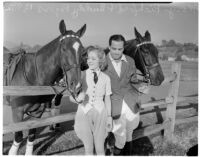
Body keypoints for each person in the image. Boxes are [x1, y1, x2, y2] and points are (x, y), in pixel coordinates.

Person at [104, 34, 149, 155]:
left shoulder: (130, 61)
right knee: (120, 135)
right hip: (113, 104)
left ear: (123, 48)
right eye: (114, 49)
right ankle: (116, 152)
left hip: (130, 101)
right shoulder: (102, 62)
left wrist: (141, 87)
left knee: (129, 134)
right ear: (109, 47)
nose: (117, 52)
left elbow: (133, 80)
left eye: (120, 49)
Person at [71, 46, 113, 155]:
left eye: (93, 59)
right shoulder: (81, 74)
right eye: (88, 58)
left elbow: (107, 99)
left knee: (100, 147)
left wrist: (109, 117)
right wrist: (77, 99)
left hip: (101, 113)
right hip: (83, 112)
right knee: (88, 148)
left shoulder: (106, 78)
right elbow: (71, 96)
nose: (89, 61)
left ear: (100, 60)